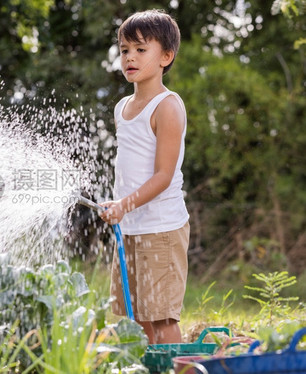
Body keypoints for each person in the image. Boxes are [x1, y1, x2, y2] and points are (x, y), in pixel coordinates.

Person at [99, 9, 190, 344]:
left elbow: (164, 175)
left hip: (161, 229)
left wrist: (125, 203)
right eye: (124, 50)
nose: (130, 58)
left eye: (140, 49)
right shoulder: (122, 107)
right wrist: (119, 203)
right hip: (131, 228)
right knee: (136, 320)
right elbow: (130, 169)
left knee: (162, 318)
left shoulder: (167, 106)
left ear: (166, 56)